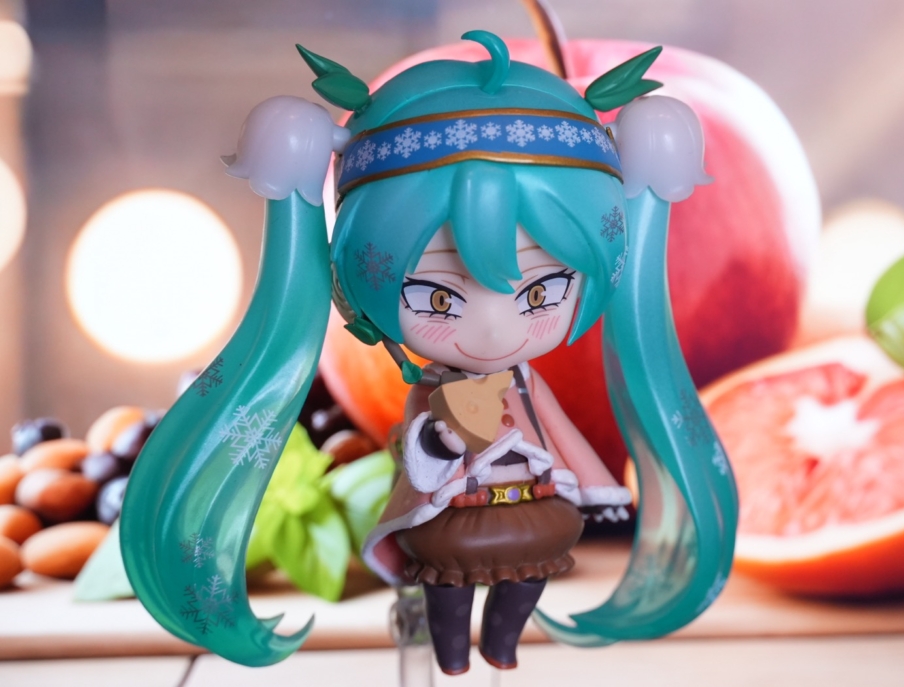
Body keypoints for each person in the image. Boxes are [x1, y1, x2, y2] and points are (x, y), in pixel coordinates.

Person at [121, 30, 738, 672]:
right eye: (438, 298)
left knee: (528, 576)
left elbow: (557, 431)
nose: (494, 330)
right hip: (452, 511)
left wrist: (593, 485)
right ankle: (452, 655)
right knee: (446, 586)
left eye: (541, 292)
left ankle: (501, 645)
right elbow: (419, 458)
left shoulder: (524, 383)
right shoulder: (431, 388)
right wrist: (443, 441)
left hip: (530, 505)